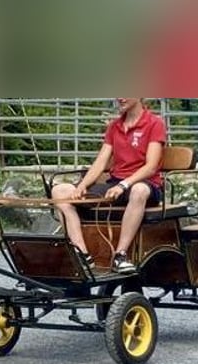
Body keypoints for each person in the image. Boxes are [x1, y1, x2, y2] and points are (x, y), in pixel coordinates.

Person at [51, 98, 166, 273]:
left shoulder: (154, 123)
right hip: (115, 185)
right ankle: (82, 254)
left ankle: (120, 255)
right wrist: (82, 186)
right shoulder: (114, 126)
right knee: (60, 191)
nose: (120, 97)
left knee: (138, 190)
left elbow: (150, 167)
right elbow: (100, 162)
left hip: (145, 185)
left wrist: (124, 185)